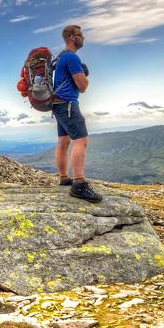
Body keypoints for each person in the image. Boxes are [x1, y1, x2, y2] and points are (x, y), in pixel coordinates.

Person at [52, 25, 103, 203]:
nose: (83, 38)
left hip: (57, 105)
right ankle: (79, 185)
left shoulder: (59, 57)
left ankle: (64, 178)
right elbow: (82, 86)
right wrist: (84, 76)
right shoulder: (72, 57)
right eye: (81, 35)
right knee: (81, 140)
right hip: (68, 104)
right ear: (73, 37)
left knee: (64, 140)